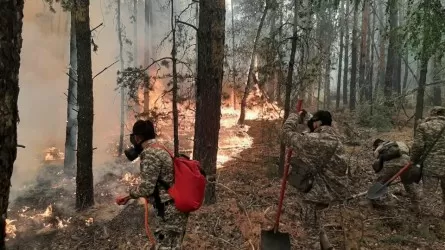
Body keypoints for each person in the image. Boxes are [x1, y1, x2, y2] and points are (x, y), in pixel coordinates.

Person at [121, 120, 188, 249]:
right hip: (175, 208)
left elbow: (147, 188)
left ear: (138, 137)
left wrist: (129, 194)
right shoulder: (160, 147)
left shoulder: (150, 153)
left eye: (134, 137)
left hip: (169, 212)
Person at [282, 110, 349, 227]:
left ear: (318, 123)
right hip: (336, 193)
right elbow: (315, 127)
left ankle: (313, 237)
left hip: (320, 195)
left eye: (314, 122)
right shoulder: (335, 137)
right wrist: (307, 118)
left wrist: (294, 117)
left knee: (312, 232)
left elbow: (285, 134)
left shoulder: (318, 140)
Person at [411, 106, 445, 217]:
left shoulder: (424, 126)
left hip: (431, 166)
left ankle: (425, 225)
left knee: (428, 195)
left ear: (432, 114)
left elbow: (418, 146)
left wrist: (413, 160)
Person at [371, 139, 420, 213]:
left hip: (391, 165)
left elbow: (378, 165)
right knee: (408, 183)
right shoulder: (400, 143)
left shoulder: (380, 147)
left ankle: (376, 201)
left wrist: (383, 177)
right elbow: (411, 153)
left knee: (381, 182)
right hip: (406, 163)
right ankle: (416, 205)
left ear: (377, 144)